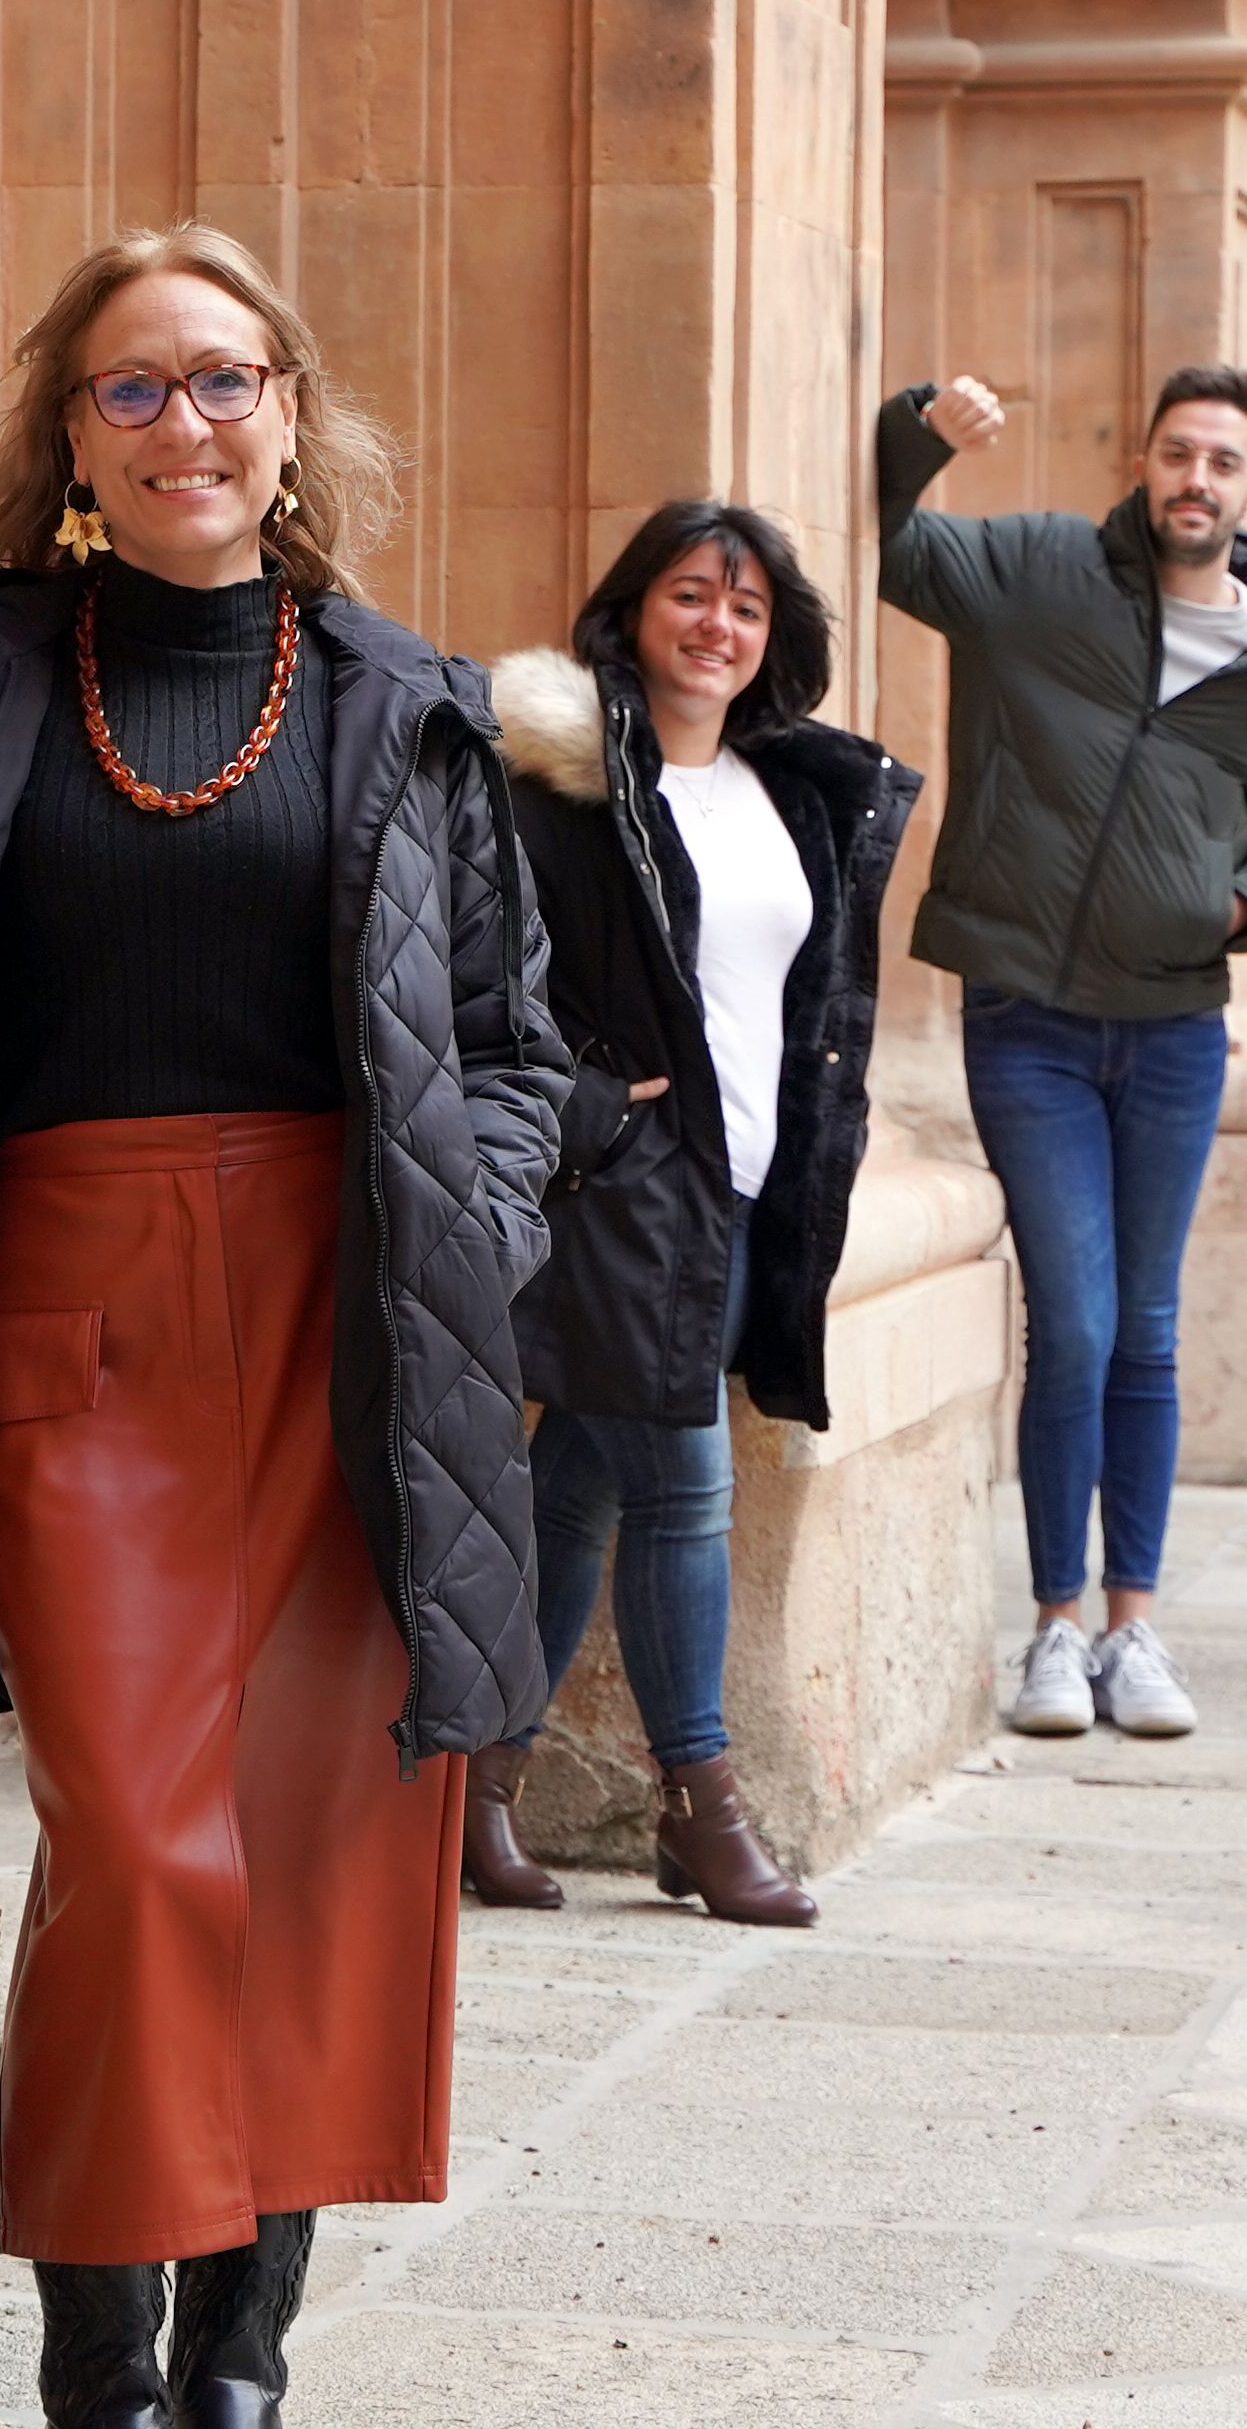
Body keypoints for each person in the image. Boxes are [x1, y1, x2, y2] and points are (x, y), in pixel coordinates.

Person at [0, 227, 567, 2429]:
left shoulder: (403, 699)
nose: (184, 422)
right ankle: (99, 2376)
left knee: (301, 1840)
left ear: (289, 412)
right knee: (137, 1838)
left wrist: (467, 1225)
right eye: (132, 389)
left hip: (347, 1320)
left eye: (222, 379)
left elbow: (511, 1043)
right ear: (72, 442)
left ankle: (238, 2370)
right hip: (63, 1321)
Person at [875, 364, 1247, 1743]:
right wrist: (919, 430)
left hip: (1175, 1026)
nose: (1196, 478)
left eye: (1222, 460)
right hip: (1024, 1010)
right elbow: (898, 538)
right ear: (1143, 463)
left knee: (1143, 1328)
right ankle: (1051, 1628)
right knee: (1073, 1321)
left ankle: (1136, 1632)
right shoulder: (1035, 572)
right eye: (1177, 452)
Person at [472, 505, 920, 1923]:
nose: (716, 626)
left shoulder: (785, 792)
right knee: (684, 1487)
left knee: (584, 1485)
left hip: (747, 1190)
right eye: (690, 595)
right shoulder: (566, 784)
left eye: (744, 606)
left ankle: (474, 1790)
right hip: (625, 1188)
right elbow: (491, 977)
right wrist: (590, 1106)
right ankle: (701, 1812)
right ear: (635, 609)